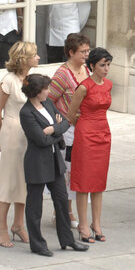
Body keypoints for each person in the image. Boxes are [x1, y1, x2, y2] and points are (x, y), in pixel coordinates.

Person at [19, 74, 89, 256]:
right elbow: (41, 140)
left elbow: (65, 123)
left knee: (61, 199)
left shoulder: (48, 104)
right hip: (37, 163)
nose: (49, 91)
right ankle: (37, 244)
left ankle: (67, 239)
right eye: (45, 89)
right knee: (35, 205)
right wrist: (56, 132)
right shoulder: (26, 112)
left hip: (54, 160)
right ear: (36, 92)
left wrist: (53, 129)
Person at [0, 41, 39, 248]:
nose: (38, 57)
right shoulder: (8, 80)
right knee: (10, 179)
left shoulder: (30, 80)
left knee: (25, 180)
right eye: (34, 55)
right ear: (24, 59)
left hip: (30, 134)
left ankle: (18, 225)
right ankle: (1, 227)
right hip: (12, 131)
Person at [68, 47, 113, 243]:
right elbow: (71, 113)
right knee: (83, 181)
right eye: (102, 65)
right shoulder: (84, 87)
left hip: (103, 133)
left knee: (98, 181)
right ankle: (83, 224)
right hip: (86, 133)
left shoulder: (108, 84)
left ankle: (97, 223)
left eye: (108, 65)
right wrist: (83, 127)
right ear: (92, 66)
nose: (106, 69)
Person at [47, 33, 91, 230]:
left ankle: (68, 209)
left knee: (78, 172)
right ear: (71, 52)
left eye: (87, 51)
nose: (86, 55)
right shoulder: (62, 74)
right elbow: (48, 100)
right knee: (66, 171)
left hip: (84, 129)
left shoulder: (86, 69)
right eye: (82, 51)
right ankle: (63, 211)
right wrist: (60, 121)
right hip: (68, 130)